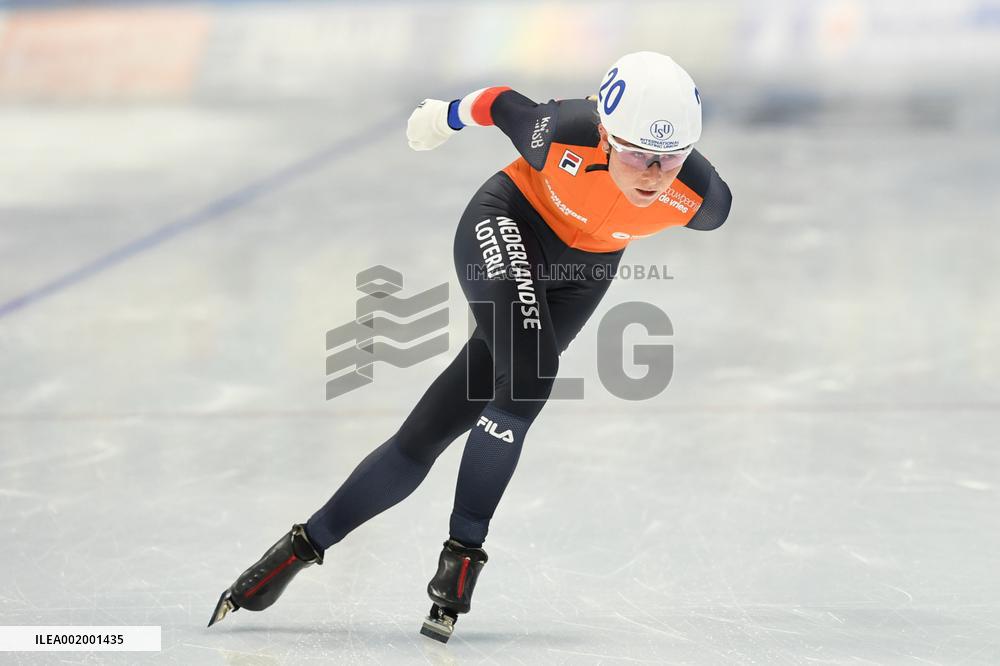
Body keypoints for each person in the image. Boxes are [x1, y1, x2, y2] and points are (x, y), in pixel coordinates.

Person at [208, 51, 732, 642]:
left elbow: (678, 182)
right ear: (606, 135)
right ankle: (463, 554)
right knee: (532, 374)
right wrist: (444, 117)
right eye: (638, 153)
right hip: (509, 220)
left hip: (580, 276)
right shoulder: (562, 131)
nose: (654, 173)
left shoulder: (703, 199)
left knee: (431, 431)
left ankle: (298, 549)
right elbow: (498, 102)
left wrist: (665, 169)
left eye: (671, 158)